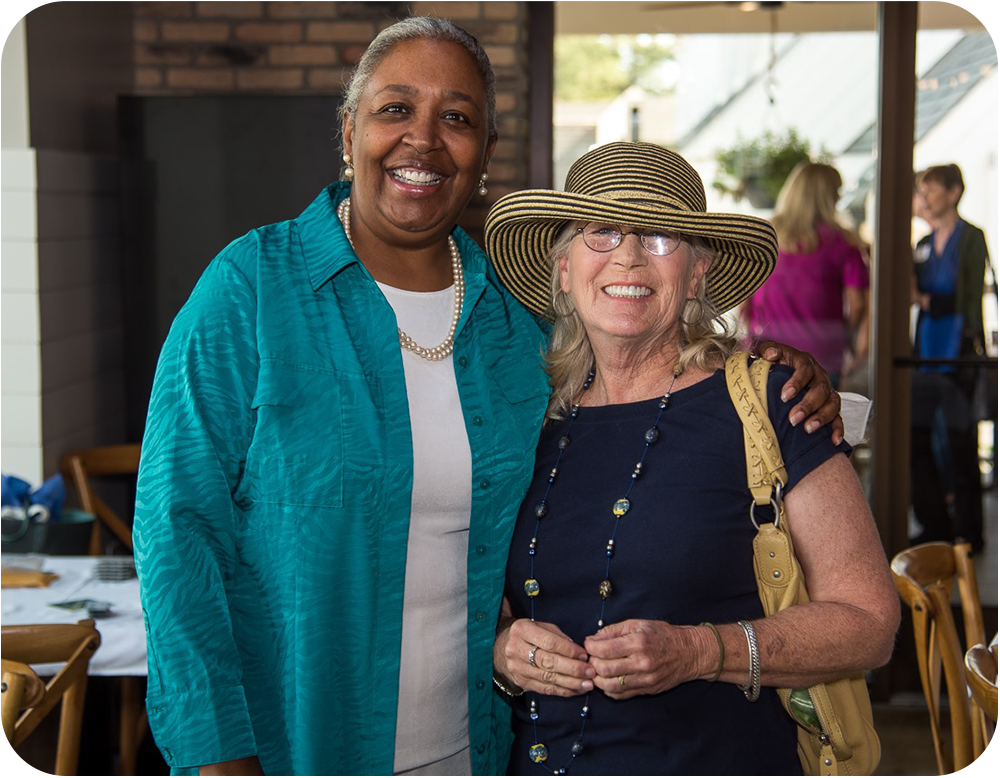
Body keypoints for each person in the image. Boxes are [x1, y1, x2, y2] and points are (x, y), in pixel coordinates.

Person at [133, 20, 843, 777]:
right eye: (395, 109)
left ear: (484, 156)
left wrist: (771, 366)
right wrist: (218, 758)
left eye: (457, 118)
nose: (424, 141)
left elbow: (642, 362)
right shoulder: (250, 291)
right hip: (297, 747)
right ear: (348, 132)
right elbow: (176, 537)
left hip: (481, 749)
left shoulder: (519, 328)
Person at [485, 142, 899, 775]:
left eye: (658, 236)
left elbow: (869, 621)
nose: (627, 254)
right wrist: (504, 649)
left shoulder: (769, 401)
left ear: (698, 273)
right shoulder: (526, 417)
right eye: (602, 232)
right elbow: (492, 593)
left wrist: (701, 651)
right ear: (564, 269)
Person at [909, 163, 991, 552]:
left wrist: (925, 298)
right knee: (918, 443)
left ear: (954, 192)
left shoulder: (971, 238)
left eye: (932, 189)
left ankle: (969, 532)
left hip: (956, 355)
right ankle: (934, 526)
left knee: (960, 446)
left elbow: (965, 296)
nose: (925, 196)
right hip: (923, 354)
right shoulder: (922, 243)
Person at [742, 162, 870, 388]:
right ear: (827, 196)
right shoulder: (843, 242)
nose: (839, 198)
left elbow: (745, 294)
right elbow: (858, 303)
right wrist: (847, 337)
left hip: (766, 350)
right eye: (836, 192)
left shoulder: (765, 236)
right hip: (822, 355)